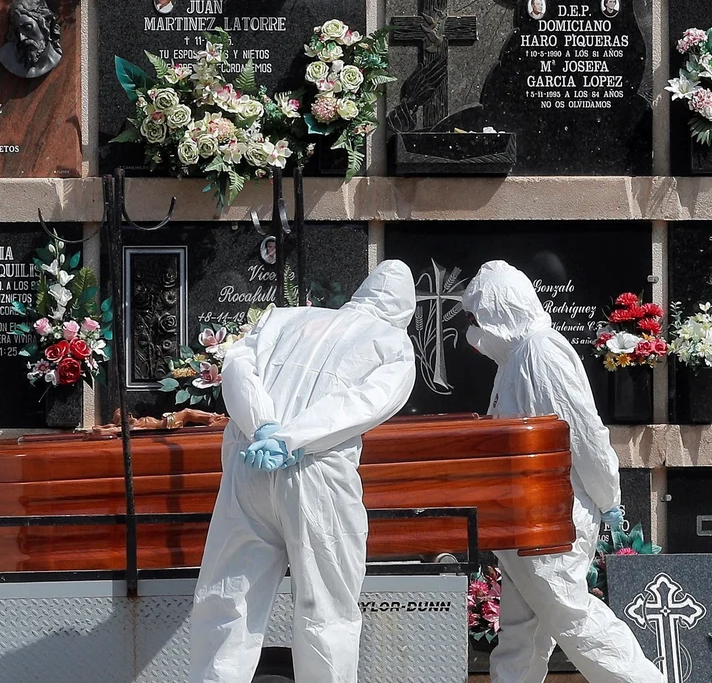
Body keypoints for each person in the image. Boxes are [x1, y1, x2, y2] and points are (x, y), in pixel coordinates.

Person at [188, 261, 417, 683]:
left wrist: (264, 427)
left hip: (250, 462)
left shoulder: (285, 318)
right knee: (326, 610)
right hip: (317, 473)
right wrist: (292, 438)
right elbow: (359, 406)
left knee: (228, 600)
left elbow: (237, 367)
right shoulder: (392, 345)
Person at [459, 261, 660, 683]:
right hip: (525, 522)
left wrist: (609, 498)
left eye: (479, 317)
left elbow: (581, 434)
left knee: (575, 620)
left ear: (501, 312)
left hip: (549, 522)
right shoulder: (516, 358)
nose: (475, 332)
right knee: (521, 634)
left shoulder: (539, 352)